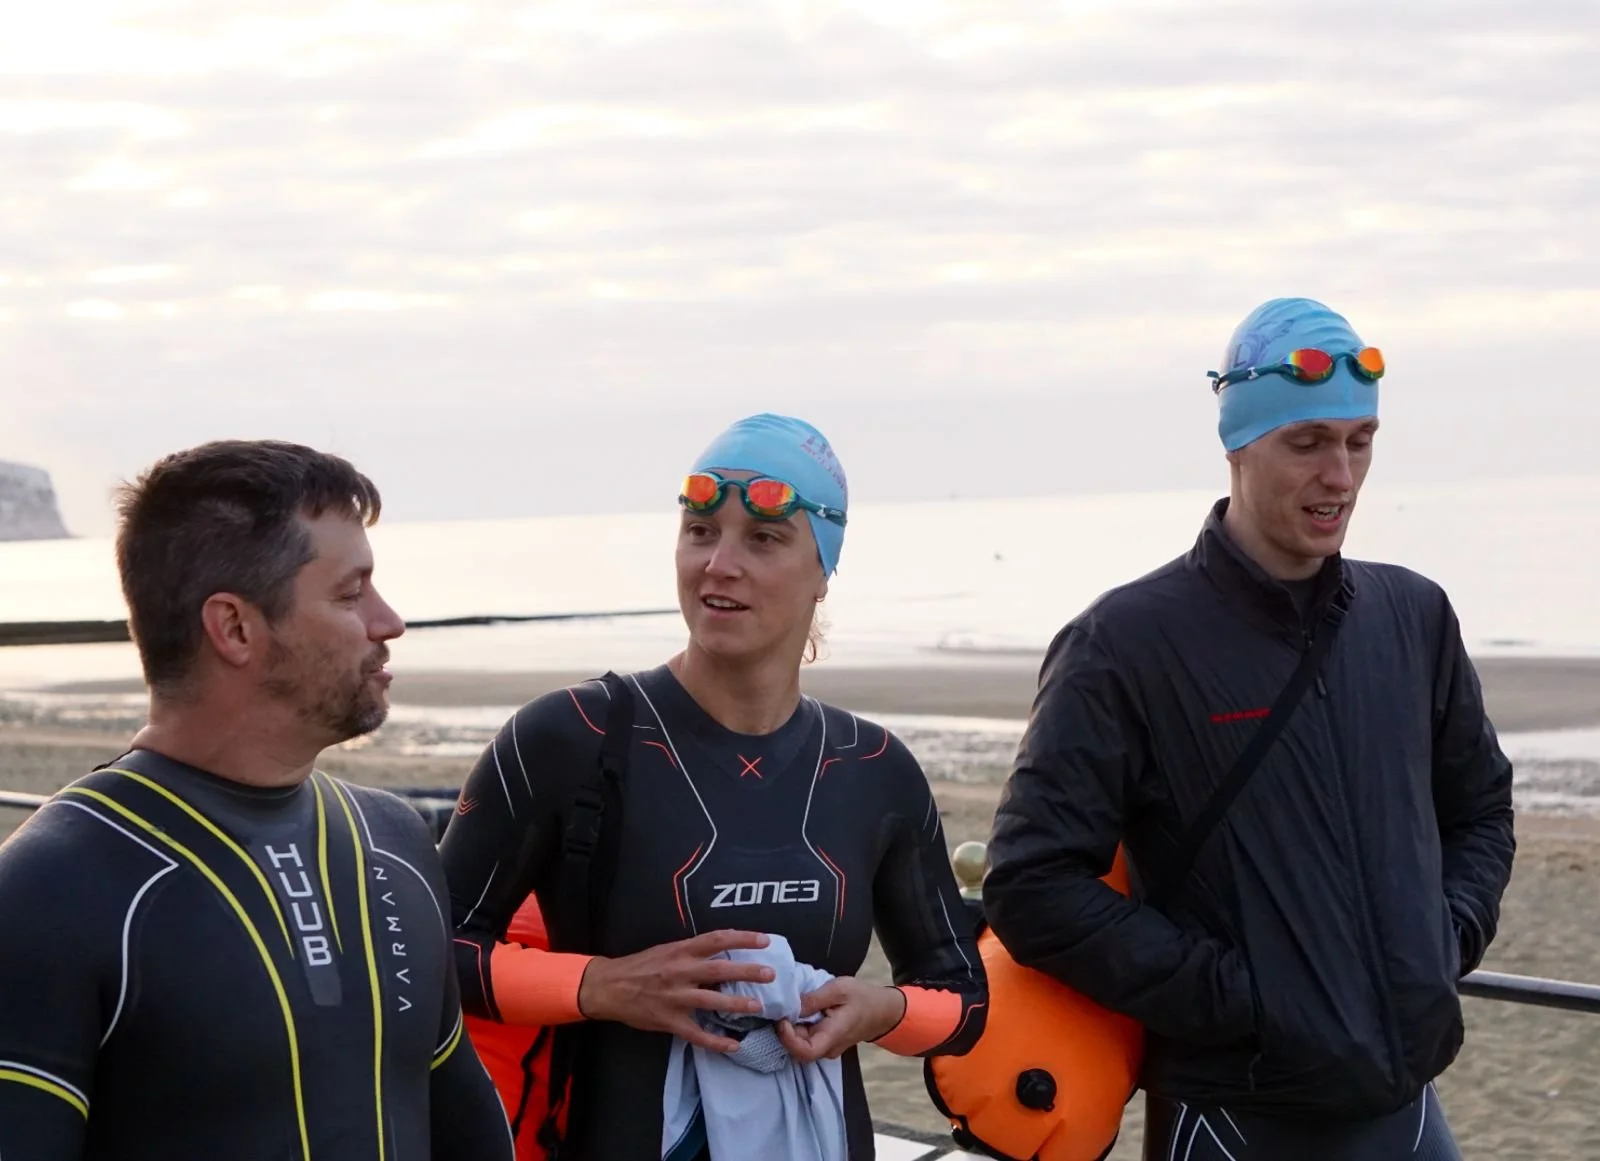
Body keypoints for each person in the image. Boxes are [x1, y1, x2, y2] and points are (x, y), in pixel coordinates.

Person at [982, 298, 1516, 1160]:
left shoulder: (1412, 615)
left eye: (1360, 440)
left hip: (1409, 1107)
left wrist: (1442, 932)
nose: (1339, 474)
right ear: (1236, 443)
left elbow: (1482, 806)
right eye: (1306, 443)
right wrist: (1240, 996)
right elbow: (1033, 884)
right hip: (1234, 1115)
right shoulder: (1124, 643)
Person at [439, 413, 987, 1161]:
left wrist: (879, 1008)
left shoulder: (871, 766)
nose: (719, 563)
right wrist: (600, 985)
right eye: (700, 529)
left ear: (824, 567)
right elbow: (429, 951)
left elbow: (963, 999)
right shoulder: (571, 737)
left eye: (763, 538)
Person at [0, 440, 513, 1161]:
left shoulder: (392, 843)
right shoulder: (52, 891)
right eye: (349, 592)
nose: (390, 620)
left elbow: (468, 1133)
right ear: (235, 627)